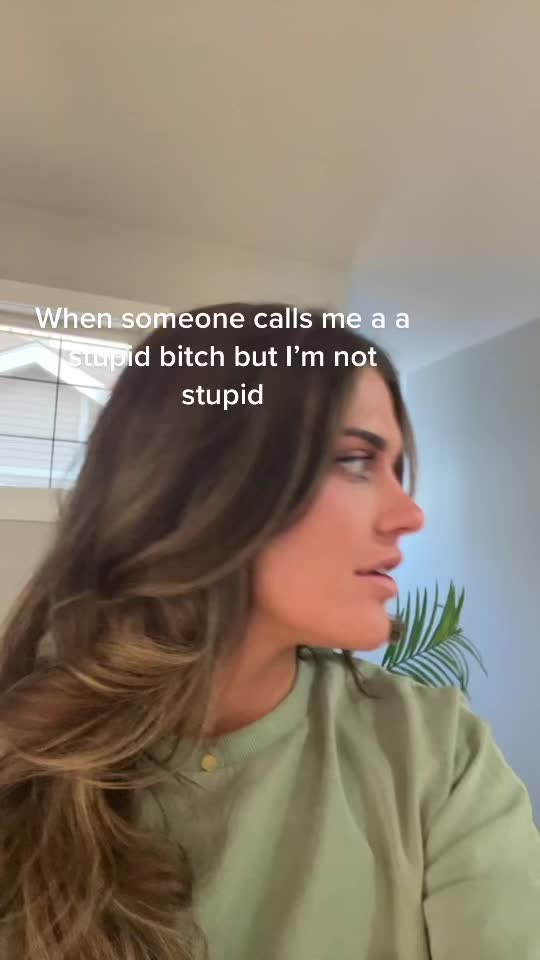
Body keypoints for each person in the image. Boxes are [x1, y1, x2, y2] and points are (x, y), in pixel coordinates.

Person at [0, 303, 539, 960]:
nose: (409, 515)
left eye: (396, 469)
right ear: (203, 481)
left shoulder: (437, 749)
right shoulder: (23, 756)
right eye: (355, 461)